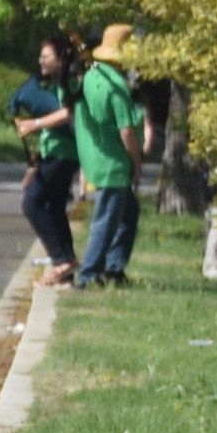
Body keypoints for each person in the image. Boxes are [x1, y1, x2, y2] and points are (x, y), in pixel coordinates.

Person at [74, 23, 150, 285]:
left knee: (129, 213)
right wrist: (136, 163)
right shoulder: (117, 86)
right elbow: (127, 131)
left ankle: (114, 267)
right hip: (115, 162)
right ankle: (89, 274)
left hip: (97, 155)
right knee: (106, 219)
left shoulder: (93, 76)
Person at [13, 32, 82, 285]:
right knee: (53, 207)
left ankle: (60, 259)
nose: (40, 61)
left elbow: (68, 113)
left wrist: (35, 123)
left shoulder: (69, 84)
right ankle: (66, 260)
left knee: (32, 203)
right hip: (54, 152)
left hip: (65, 153)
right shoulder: (54, 83)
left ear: (61, 58)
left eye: (46, 56)